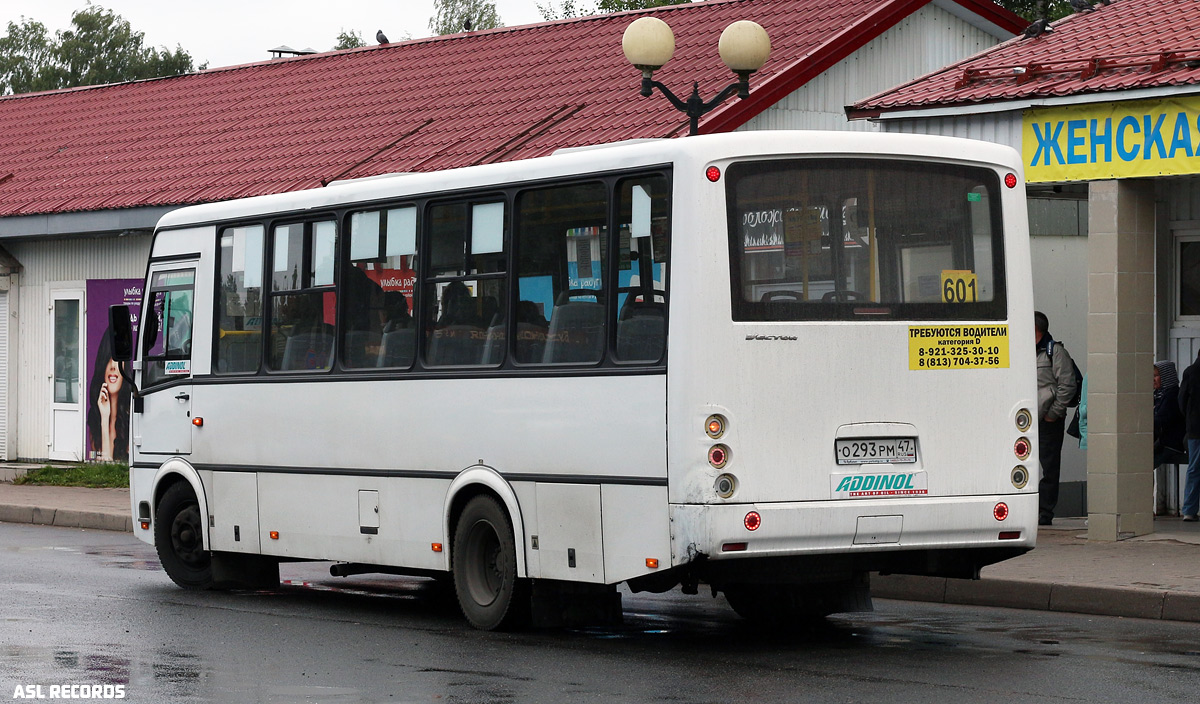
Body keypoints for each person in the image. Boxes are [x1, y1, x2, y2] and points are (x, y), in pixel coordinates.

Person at [1035, 311, 1078, 526]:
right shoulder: (1020, 350)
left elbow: (1067, 385)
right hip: (1024, 420)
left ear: (1036, 330)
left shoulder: (1055, 352)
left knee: (1049, 467)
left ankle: (1045, 513)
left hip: (1047, 420)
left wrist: (1053, 414)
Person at [85, 327, 132, 462]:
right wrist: (104, 419)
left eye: (117, 359)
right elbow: (106, 465)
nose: (112, 366)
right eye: (108, 360)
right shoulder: (95, 418)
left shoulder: (131, 419)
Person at [1178, 352, 1200, 521]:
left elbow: (1182, 399)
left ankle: (1189, 510)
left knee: (1194, 468)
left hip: (1195, 427)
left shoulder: (1191, 372)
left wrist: (1189, 417)